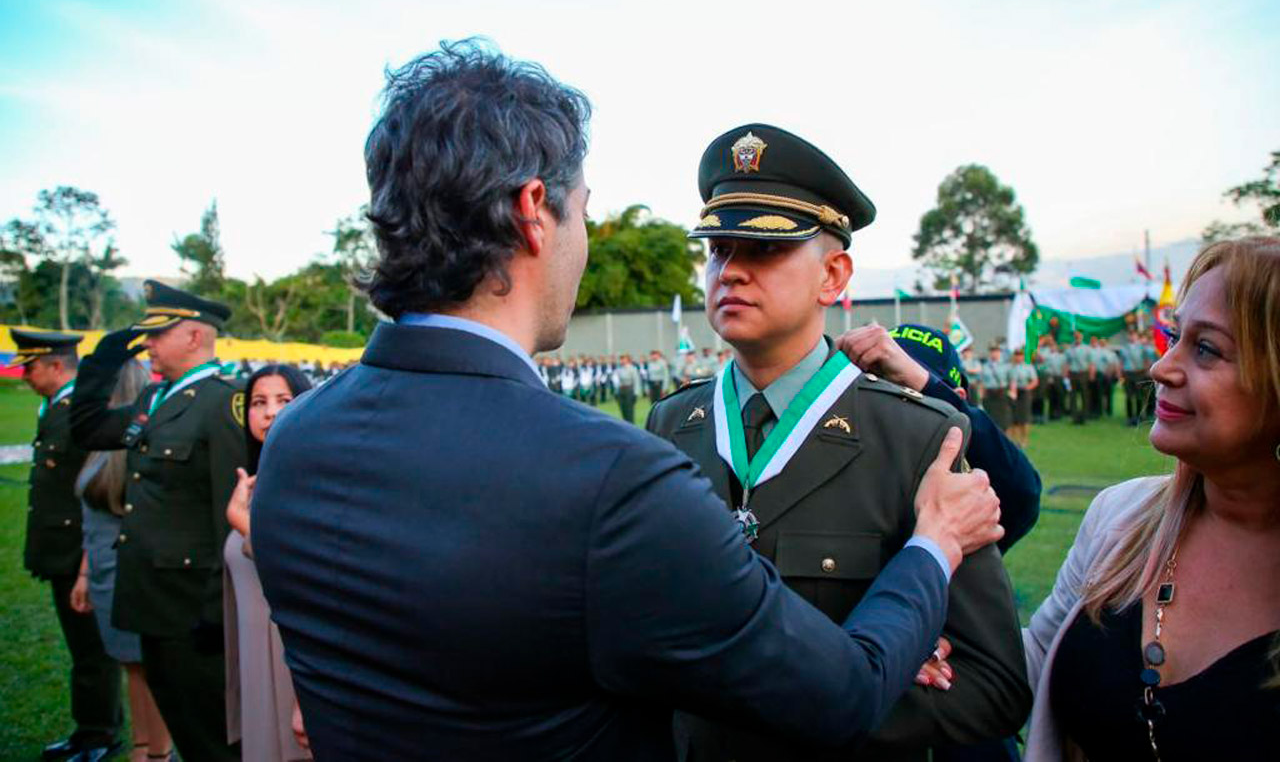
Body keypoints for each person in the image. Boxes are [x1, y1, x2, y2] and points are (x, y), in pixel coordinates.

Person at [249, 40, 1004, 761]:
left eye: (764, 248)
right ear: (532, 211)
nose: (730, 270)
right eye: (581, 211)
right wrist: (931, 546)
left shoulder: (297, 438)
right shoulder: (616, 473)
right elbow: (839, 693)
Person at [648, 123, 1029, 761]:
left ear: (833, 276)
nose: (730, 270)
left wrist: (838, 700)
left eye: (763, 250)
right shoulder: (672, 425)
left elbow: (995, 685)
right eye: (718, 248)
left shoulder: (916, 436)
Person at [1023, 237, 1280, 760]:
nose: (1162, 367)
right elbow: (1028, 661)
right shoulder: (1121, 516)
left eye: (1206, 348)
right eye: (1174, 336)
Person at [70, 281, 247, 762]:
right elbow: (86, 428)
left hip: (193, 613)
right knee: (188, 733)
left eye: (157, 333)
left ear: (193, 336)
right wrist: (103, 360)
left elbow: (228, 520)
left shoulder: (223, 402)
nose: (146, 343)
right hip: (154, 604)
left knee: (214, 740)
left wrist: (216, 613)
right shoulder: (155, 400)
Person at [11, 329, 123, 762]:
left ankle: (99, 736)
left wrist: (86, 566)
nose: (24, 375)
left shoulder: (79, 412)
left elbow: (94, 497)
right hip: (60, 552)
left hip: (79, 553)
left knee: (92, 653)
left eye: (31, 366)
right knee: (83, 650)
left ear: (57, 365)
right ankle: (90, 730)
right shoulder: (55, 407)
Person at [841, 323, 1042, 555]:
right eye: (876, 382)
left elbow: (1022, 494)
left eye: (906, 389)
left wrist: (928, 387)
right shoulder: (847, 456)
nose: (890, 401)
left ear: (955, 398)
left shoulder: (958, 481)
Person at [70, 358, 174, 762]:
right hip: (101, 572)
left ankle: (157, 752)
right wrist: (84, 573)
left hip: (128, 575)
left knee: (149, 669)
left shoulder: (132, 447)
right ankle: (143, 744)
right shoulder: (100, 443)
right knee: (132, 668)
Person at [223, 364, 313, 761]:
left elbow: (302, 568)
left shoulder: (310, 478)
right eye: (259, 402)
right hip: (255, 657)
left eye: (284, 400)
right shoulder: (258, 479)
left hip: (294, 662)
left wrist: (242, 523)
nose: (270, 412)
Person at [980, 343, 1013, 432]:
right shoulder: (985, 365)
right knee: (989, 418)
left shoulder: (1006, 365)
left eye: (996, 351)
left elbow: (1011, 380)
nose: (994, 353)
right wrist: (981, 395)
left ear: (1000, 352)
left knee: (1002, 419)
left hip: (1001, 393)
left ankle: (1003, 437)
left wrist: (1013, 392)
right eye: (992, 351)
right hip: (989, 394)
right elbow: (982, 381)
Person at [1008, 347, 1038, 448]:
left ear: (1023, 356)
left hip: (1024, 392)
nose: (1018, 357)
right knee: (1014, 417)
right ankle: (1015, 440)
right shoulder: (1010, 367)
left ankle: (1024, 439)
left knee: (1024, 418)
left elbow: (1034, 381)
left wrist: (1027, 387)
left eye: (1020, 355)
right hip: (1013, 392)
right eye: (1016, 355)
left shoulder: (1028, 367)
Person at [1063, 331, 1093, 425]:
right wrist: (1065, 374)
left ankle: (1084, 416)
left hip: (1083, 373)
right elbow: (1067, 363)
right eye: (1076, 336)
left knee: (1084, 395)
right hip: (1073, 373)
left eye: (1079, 335)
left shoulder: (1087, 348)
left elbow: (1091, 363)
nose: (1077, 337)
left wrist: (1091, 375)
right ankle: (1074, 417)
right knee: (1073, 396)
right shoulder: (1069, 349)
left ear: (1082, 337)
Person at [615, 353, 641, 424]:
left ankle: (631, 425)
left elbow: (636, 381)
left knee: (629, 411)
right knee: (623, 410)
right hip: (621, 390)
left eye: (623, 359)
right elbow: (617, 382)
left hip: (629, 390)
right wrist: (616, 392)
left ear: (628, 360)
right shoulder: (619, 369)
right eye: (621, 359)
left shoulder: (632, 369)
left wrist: (636, 393)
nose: (622, 361)